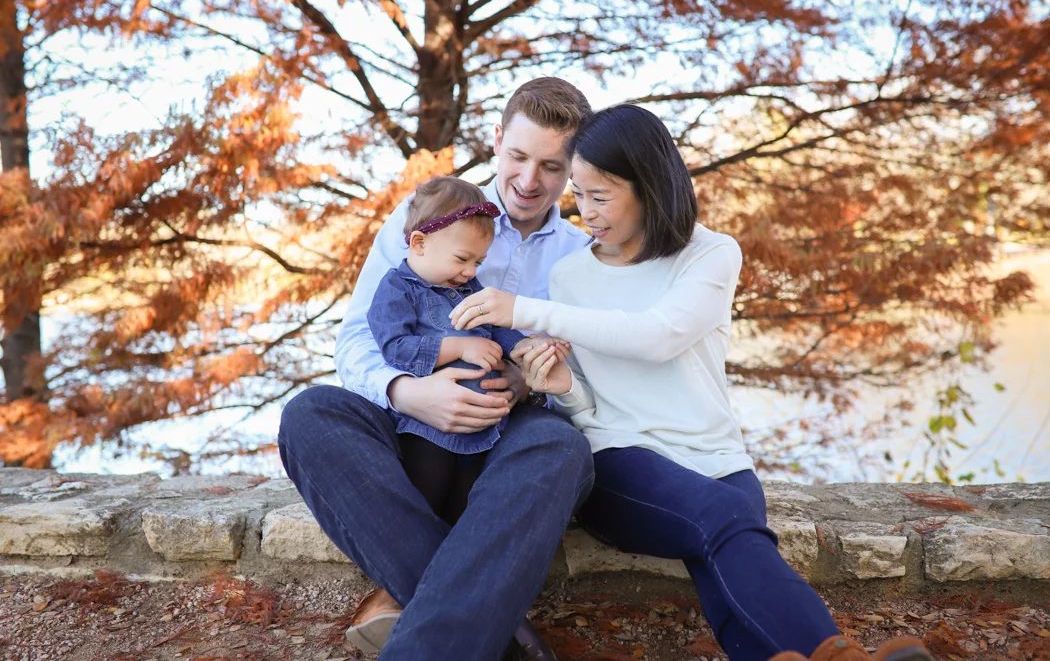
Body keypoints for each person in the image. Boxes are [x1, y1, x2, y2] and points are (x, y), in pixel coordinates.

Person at [451, 104, 934, 661]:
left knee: (726, 568)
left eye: (600, 196)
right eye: (578, 195)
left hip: (719, 460)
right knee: (726, 522)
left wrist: (523, 309)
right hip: (621, 460)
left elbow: (658, 336)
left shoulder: (710, 254)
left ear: (649, 186)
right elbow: (585, 401)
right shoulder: (570, 275)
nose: (586, 213)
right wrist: (561, 384)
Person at [278, 77, 594, 661]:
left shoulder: (581, 255)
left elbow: (589, 375)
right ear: (497, 140)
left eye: (551, 166)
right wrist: (408, 391)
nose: (529, 181)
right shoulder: (426, 216)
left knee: (562, 451)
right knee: (309, 414)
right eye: (519, 156)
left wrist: (530, 382)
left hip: (508, 424)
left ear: (574, 166)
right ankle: (500, 634)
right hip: (412, 424)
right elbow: (357, 339)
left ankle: (407, 602)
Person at [367, 176, 531, 524]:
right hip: (429, 430)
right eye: (462, 259)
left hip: (485, 428)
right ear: (420, 243)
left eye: (478, 262)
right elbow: (395, 347)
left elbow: (498, 325)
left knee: (466, 507)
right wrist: (458, 345)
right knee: (427, 502)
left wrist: (524, 350)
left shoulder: (470, 286)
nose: (470, 271)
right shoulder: (398, 289)